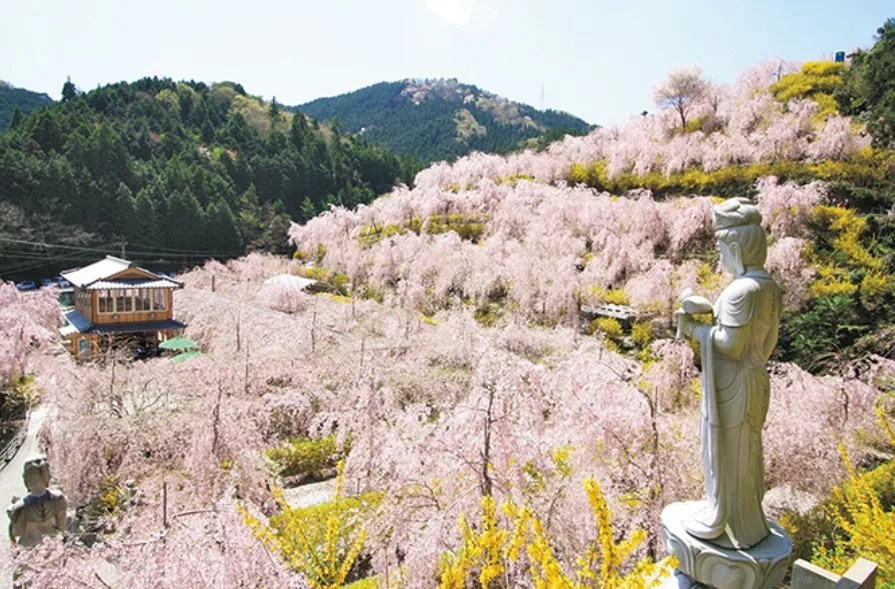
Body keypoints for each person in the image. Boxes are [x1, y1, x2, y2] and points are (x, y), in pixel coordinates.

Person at [675, 197, 782, 550]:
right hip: (756, 379)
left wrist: (693, 329)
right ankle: (748, 521)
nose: (720, 256)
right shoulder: (769, 287)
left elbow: (728, 344)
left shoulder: (742, 290)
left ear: (736, 246)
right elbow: (765, 341)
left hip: (734, 385)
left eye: (722, 247)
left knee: (727, 452)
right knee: (747, 453)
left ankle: (726, 520)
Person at [7, 455, 67, 547]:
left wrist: (13, 515)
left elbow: (17, 532)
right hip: (52, 544)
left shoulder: (20, 507)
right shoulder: (58, 498)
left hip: (29, 547)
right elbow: (61, 528)